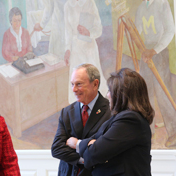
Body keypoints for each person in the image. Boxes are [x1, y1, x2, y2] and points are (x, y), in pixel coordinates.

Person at [67, 68, 154, 176]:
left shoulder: (130, 120)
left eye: (110, 90)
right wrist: (93, 143)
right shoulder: (120, 118)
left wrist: (78, 143)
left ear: (121, 95)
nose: (107, 95)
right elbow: (95, 143)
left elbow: (94, 153)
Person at [51, 63, 111, 176]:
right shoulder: (67, 112)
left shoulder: (110, 111)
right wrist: (84, 160)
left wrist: (76, 145)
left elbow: (105, 149)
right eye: (72, 84)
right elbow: (57, 148)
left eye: (79, 84)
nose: (74, 89)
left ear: (95, 84)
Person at [135, 0, 176, 147]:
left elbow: (171, 30)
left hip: (159, 53)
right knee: (145, 92)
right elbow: (138, 30)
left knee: (162, 93)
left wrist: (155, 50)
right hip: (146, 54)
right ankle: (148, 129)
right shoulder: (141, 8)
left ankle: (174, 131)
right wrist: (134, 32)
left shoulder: (162, 3)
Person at [64, 0, 108, 104]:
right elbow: (68, 31)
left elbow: (99, 29)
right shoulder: (68, 5)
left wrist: (89, 32)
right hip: (76, 50)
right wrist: (67, 49)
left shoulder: (90, 3)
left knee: (92, 80)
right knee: (77, 81)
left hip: (89, 49)